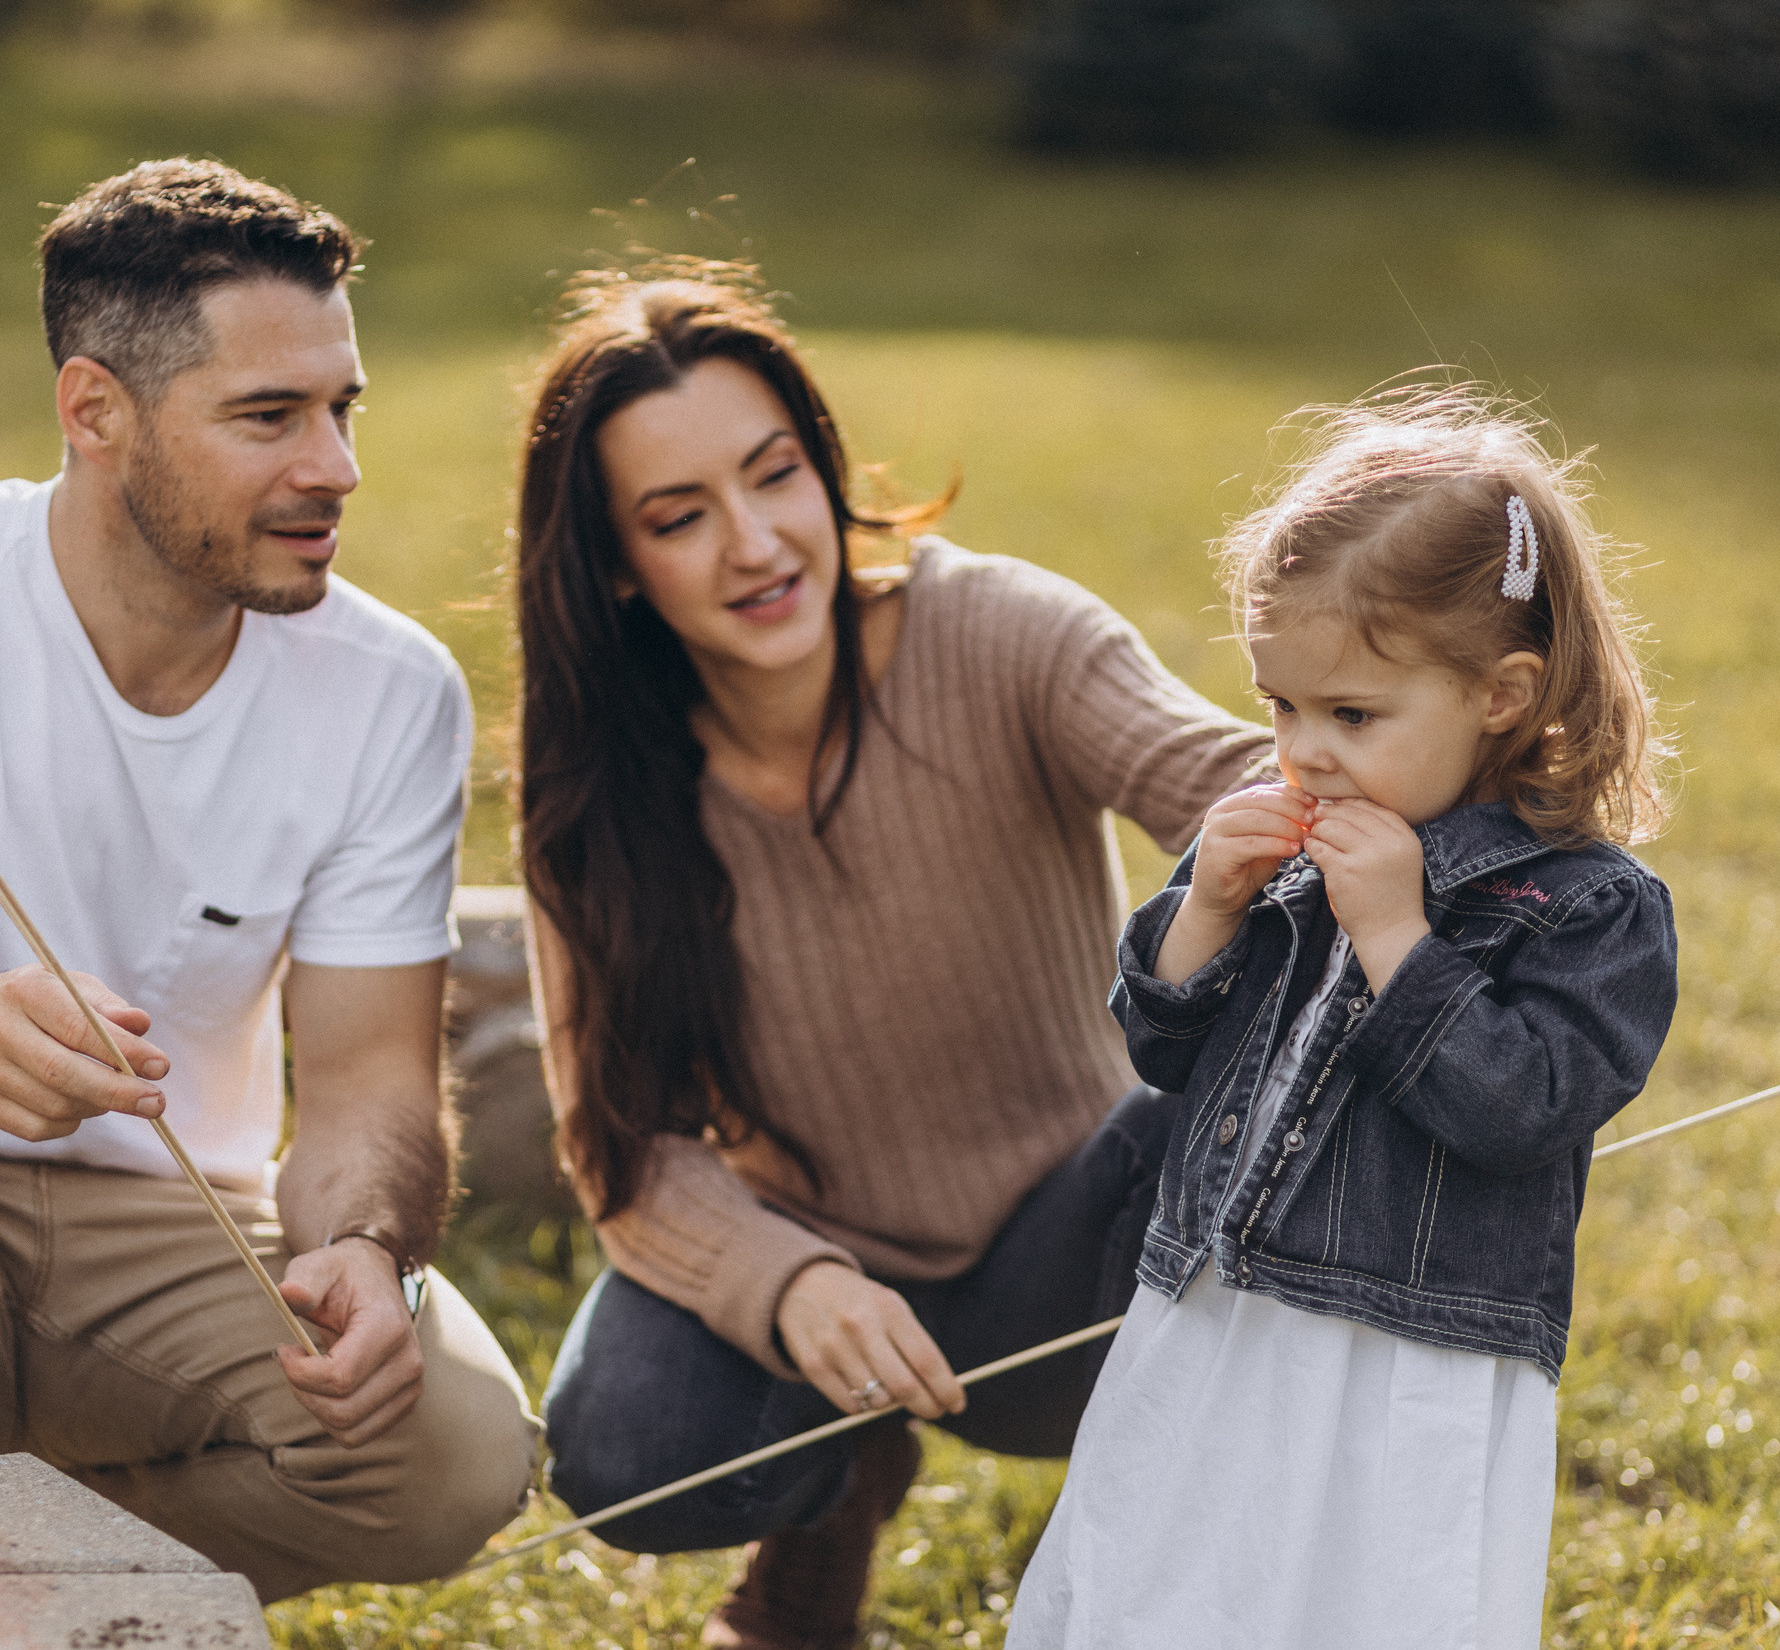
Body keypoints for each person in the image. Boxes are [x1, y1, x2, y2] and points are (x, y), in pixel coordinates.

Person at [0, 158, 538, 1601]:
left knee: (450, 1443)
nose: (335, 467)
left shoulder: (395, 691)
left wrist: (369, 1249)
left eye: (342, 406)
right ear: (95, 411)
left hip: (170, 1228)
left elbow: (374, 1077)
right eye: (270, 417)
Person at [513, 264, 1274, 1650]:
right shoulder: (596, 794)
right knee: (623, 1443)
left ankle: (1140, 1570)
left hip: (1076, 1241)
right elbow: (621, 1144)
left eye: (775, 474)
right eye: (681, 517)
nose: (755, 543)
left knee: (1242, 1093)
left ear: (822, 466)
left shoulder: (1000, 632)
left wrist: (1426, 796)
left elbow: (1229, 777)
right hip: (826, 1272)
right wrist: (791, 1287)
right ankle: (826, 1510)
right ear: (617, 564)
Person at [1011, 389, 1676, 1647]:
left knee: (1351, 1599)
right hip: (1217, 1310)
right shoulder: (1295, 857)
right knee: (1167, 1575)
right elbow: (1160, 1049)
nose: (1302, 753)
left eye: (1352, 716)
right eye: (1279, 707)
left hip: (1403, 1354)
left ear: (1501, 693)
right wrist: (1205, 905)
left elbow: (1521, 1108)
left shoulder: (1587, 908)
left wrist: (1396, 943)